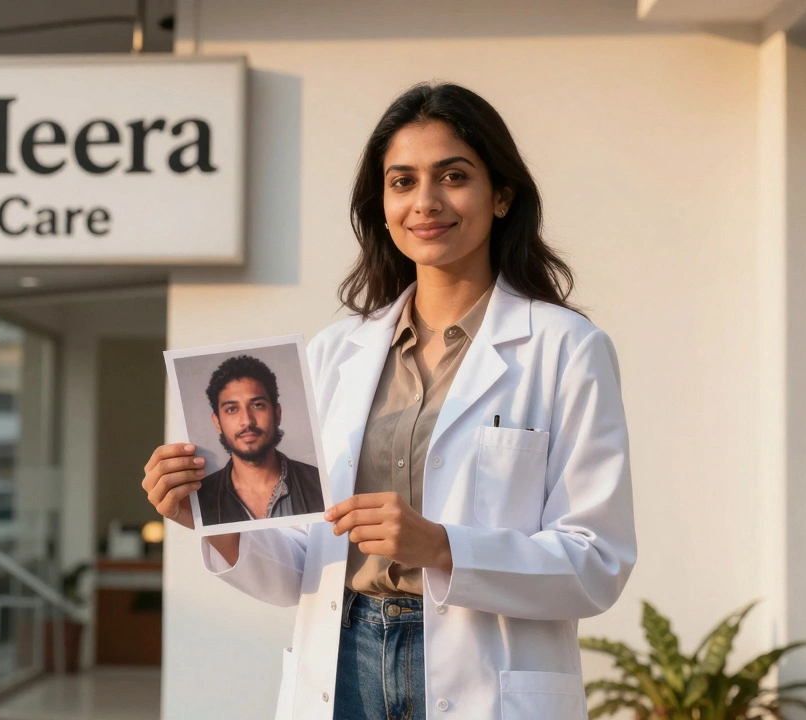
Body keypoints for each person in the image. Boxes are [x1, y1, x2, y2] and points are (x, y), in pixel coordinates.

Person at [141, 82, 635, 720]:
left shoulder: (566, 348)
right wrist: (211, 520)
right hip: (344, 666)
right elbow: (302, 563)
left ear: (502, 195)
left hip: (485, 679)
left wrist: (441, 546)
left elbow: (597, 562)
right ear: (381, 203)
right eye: (401, 182)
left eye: (453, 176)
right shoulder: (335, 352)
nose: (425, 202)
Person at [195, 354, 324, 525]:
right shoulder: (200, 498)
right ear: (217, 422)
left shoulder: (320, 484)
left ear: (277, 414)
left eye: (257, 405)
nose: (247, 421)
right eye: (232, 409)